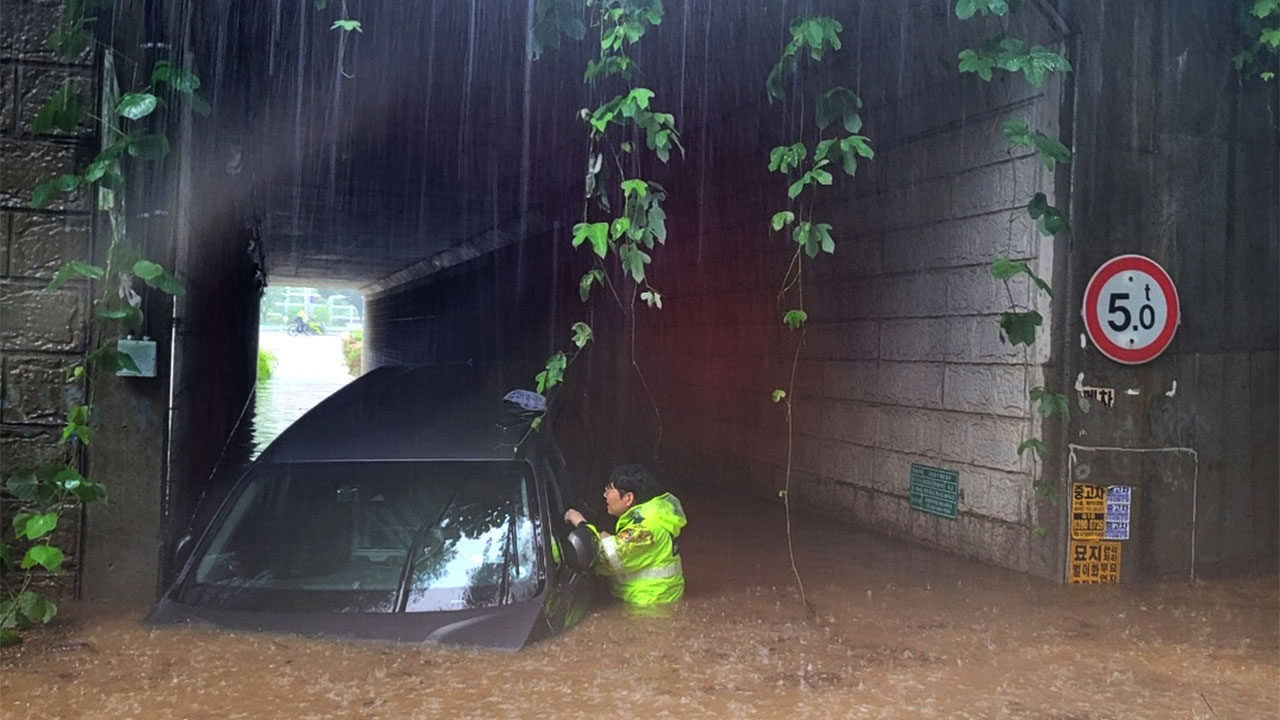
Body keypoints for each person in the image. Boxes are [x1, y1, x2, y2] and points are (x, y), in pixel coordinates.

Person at [564, 463, 686, 606]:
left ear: (628, 498)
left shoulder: (645, 529)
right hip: (657, 600)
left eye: (609, 490)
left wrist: (580, 523)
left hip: (649, 604)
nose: (605, 495)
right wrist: (610, 539)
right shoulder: (650, 518)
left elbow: (601, 559)